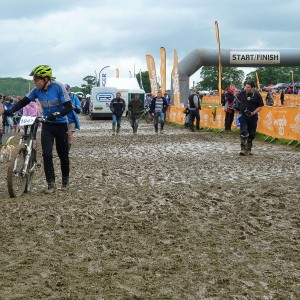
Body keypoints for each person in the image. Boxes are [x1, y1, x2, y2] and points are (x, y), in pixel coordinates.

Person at [3, 65, 73, 193]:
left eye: (37, 80)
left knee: (63, 155)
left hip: (61, 125)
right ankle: (51, 184)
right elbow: (23, 101)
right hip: (47, 125)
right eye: (34, 80)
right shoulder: (36, 90)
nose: (35, 83)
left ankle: (65, 181)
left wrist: (57, 114)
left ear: (46, 79)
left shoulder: (58, 87)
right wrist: (11, 111)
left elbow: (68, 107)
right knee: (46, 154)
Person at [237, 80, 264, 156]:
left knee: (251, 134)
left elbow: (260, 106)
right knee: (244, 131)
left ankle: (249, 149)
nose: (246, 88)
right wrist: (238, 108)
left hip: (253, 117)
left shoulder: (257, 95)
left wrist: (253, 113)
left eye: (248, 87)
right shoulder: (242, 93)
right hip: (243, 116)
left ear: (252, 88)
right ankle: (242, 149)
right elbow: (237, 101)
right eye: (245, 87)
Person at [65, 84, 81, 151]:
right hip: (62, 119)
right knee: (63, 136)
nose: (66, 91)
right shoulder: (61, 96)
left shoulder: (74, 97)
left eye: (67, 89)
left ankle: (67, 151)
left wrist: (74, 107)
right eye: (65, 90)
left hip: (72, 119)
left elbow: (79, 107)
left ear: (69, 89)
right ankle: (63, 150)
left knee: (70, 136)